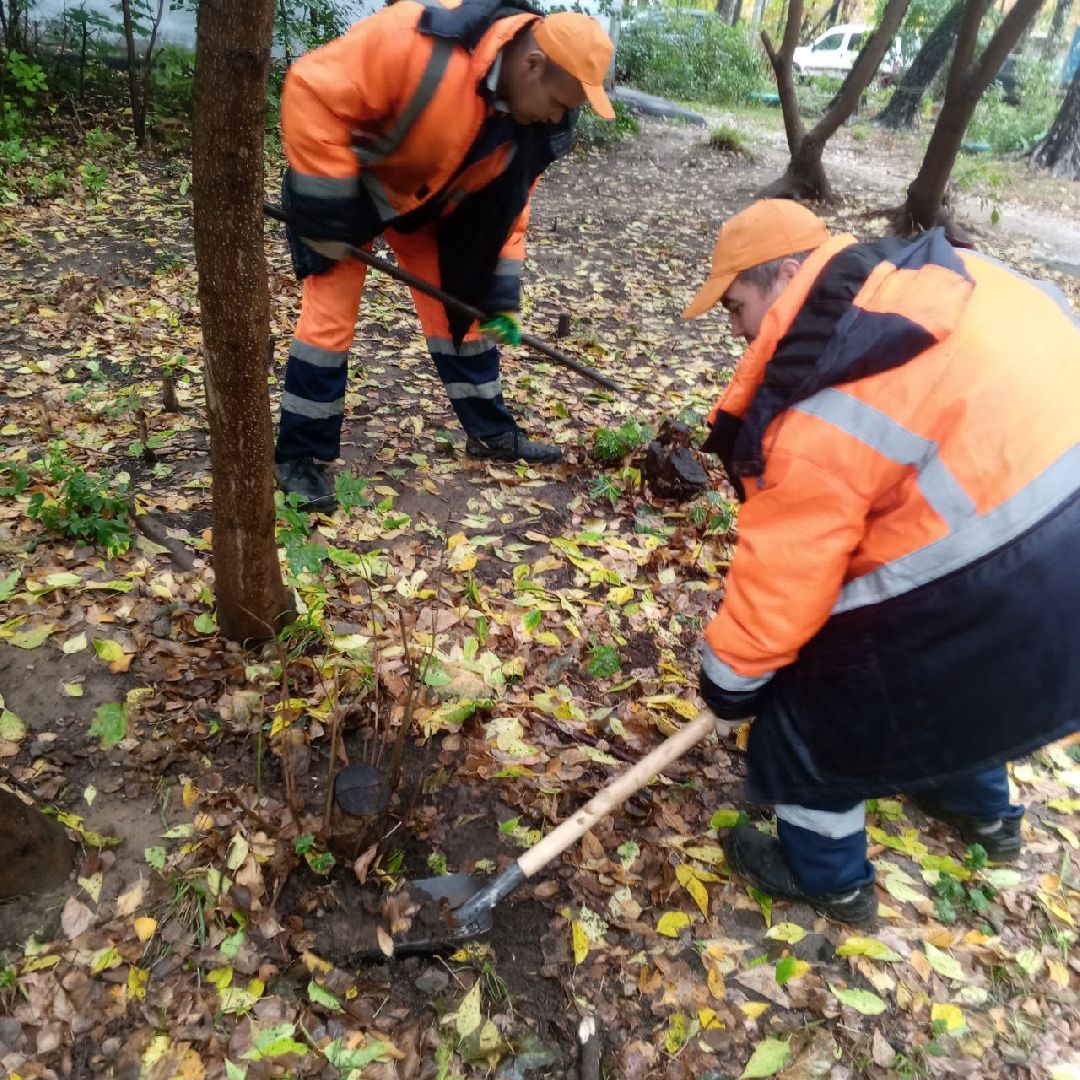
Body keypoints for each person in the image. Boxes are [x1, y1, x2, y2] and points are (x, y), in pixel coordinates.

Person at [682, 199, 1080, 925]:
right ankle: (986, 817)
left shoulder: (831, 386)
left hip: (1011, 560)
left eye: (735, 305)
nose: (736, 330)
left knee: (814, 699)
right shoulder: (938, 274)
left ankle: (826, 878)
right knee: (958, 671)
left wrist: (732, 680)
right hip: (1056, 537)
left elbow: (788, 575)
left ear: (788, 275)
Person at [275, 0, 615, 511]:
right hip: (351, 191)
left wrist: (497, 299)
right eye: (558, 102)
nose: (557, 117)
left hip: (431, 206)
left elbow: (509, 212)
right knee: (328, 323)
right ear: (532, 65)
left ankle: (491, 434)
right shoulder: (415, 40)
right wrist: (325, 212)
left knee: (466, 316)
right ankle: (299, 457)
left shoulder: (532, 126)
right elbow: (310, 86)